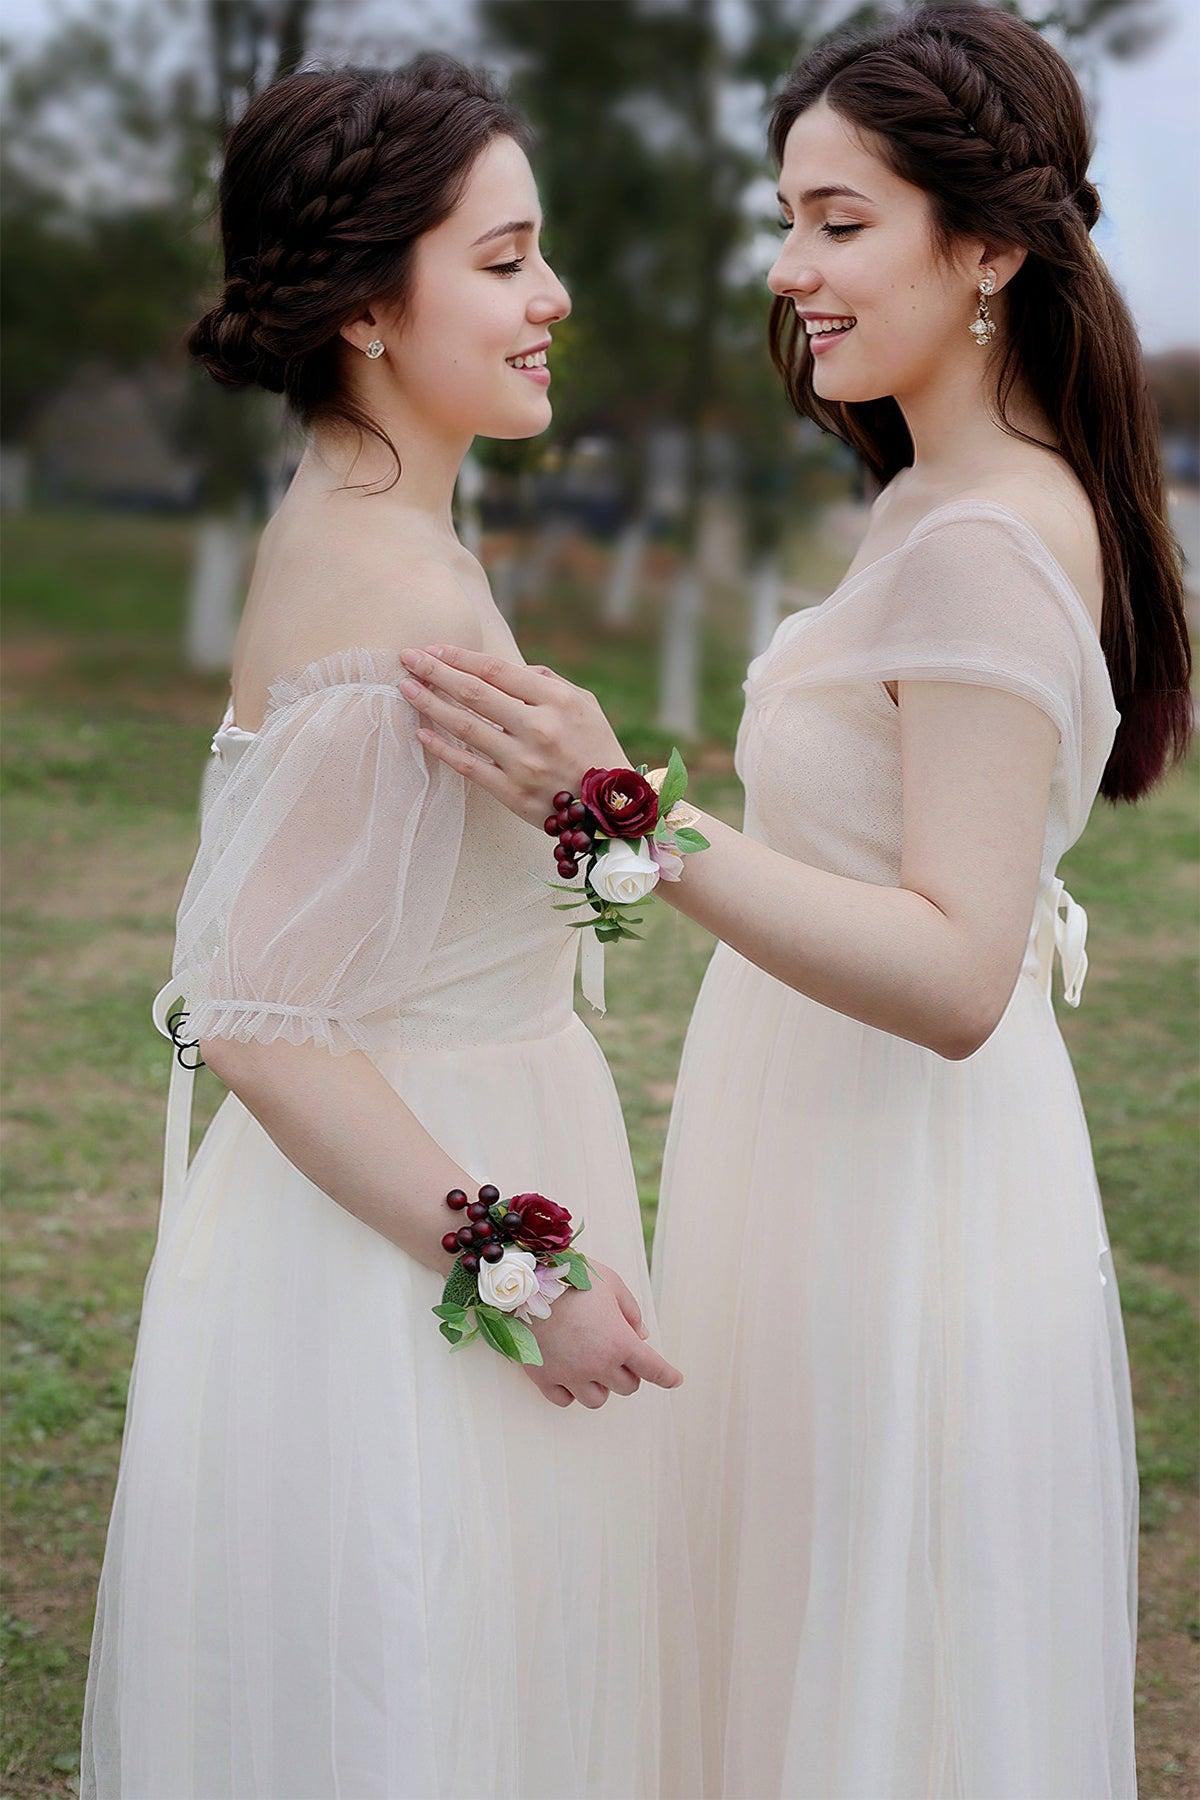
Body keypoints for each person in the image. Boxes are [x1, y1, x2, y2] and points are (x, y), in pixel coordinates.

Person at [395, 9, 1192, 1796]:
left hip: (902, 1190)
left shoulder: (988, 541)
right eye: (789, 219)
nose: (791, 269)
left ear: (988, 244)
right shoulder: (939, 499)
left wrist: (625, 812)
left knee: (871, 1682)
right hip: (828, 1155)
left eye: (840, 223)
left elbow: (959, 968)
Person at [80, 54, 700, 1800]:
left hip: (438, 1148)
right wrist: (519, 1267)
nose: (551, 297)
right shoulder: (391, 583)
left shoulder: (382, 529)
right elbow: (262, 1014)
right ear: (368, 304)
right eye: (505, 260)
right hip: (408, 1233)